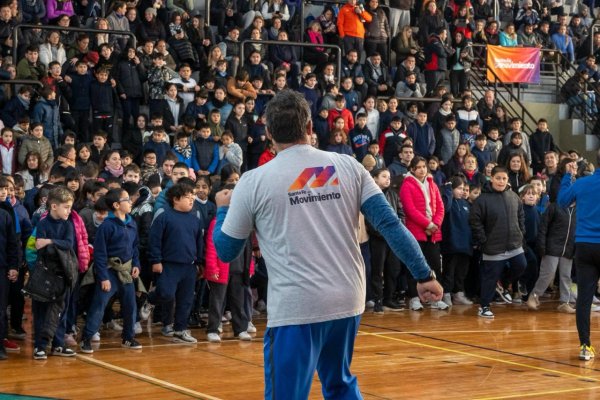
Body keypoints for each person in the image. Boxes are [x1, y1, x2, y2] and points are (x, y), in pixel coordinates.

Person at [211, 90, 442, 398]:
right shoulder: (350, 166)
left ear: (268, 134)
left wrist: (222, 207)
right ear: (310, 127)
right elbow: (389, 224)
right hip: (347, 300)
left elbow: (226, 251)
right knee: (339, 383)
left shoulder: (253, 182)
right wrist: (424, 275)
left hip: (298, 307)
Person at [79, 188, 142, 354]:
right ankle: (86, 337)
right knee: (99, 304)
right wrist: (103, 277)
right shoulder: (107, 226)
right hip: (109, 271)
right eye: (126, 199)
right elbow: (100, 254)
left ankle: (128, 337)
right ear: (116, 205)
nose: (130, 202)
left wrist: (136, 264)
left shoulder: (131, 222)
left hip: (126, 272)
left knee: (130, 305)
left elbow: (135, 247)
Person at [141, 182, 204, 344]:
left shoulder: (194, 219)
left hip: (189, 266)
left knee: (186, 299)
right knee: (166, 292)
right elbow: (154, 241)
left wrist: (199, 262)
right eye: (187, 198)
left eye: (193, 198)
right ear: (175, 199)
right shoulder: (164, 217)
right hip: (169, 264)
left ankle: (180, 330)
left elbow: (199, 241)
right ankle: (151, 299)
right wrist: (156, 260)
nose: (191, 201)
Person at [557, 151, 600, 361]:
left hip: (584, 245)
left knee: (584, 298)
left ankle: (585, 346)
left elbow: (562, 201)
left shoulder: (583, 183)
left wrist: (568, 177)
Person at [469, 166, 527, 319]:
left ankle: (503, 282)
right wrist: (483, 241)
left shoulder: (513, 196)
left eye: (504, 178)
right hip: (492, 246)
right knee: (490, 278)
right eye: (498, 178)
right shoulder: (482, 199)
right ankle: (484, 306)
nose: (501, 181)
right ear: (492, 179)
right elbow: (475, 221)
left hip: (514, 243)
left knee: (521, 265)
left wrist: (521, 233)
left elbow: (521, 215)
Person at [399, 156, 447, 311]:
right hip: (416, 231)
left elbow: (440, 206)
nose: (422, 169)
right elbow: (410, 210)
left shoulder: (432, 184)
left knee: (434, 265)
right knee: (415, 266)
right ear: (412, 169)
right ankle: (414, 298)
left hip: (433, 232)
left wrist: (435, 224)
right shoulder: (406, 185)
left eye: (424, 166)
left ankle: (435, 299)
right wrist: (428, 224)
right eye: (418, 167)